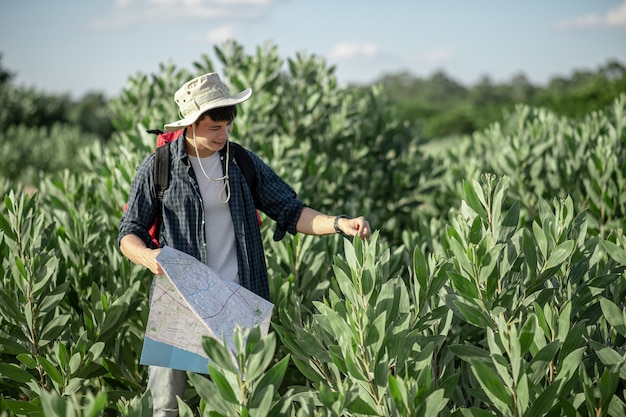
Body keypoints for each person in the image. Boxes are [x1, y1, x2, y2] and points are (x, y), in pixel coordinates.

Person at [118, 72, 371, 416]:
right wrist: (147, 257)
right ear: (190, 125)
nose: (224, 135)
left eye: (228, 126)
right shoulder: (159, 166)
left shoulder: (242, 162)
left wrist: (340, 224)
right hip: (179, 302)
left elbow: (290, 211)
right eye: (214, 129)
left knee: (238, 404)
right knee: (164, 407)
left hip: (237, 301)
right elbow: (128, 231)